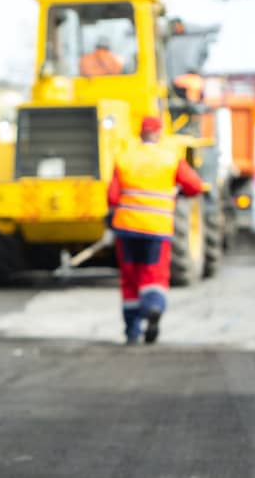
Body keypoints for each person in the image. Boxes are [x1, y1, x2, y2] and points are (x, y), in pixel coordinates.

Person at [108, 116, 207, 345]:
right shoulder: (170, 158)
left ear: (140, 133)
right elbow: (195, 185)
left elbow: (112, 196)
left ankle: (132, 331)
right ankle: (153, 307)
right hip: (157, 228)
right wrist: (178, 194)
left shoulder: (125, 157)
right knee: (154, 275)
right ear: (159, 133)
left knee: (130, 278)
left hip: (127, 228)